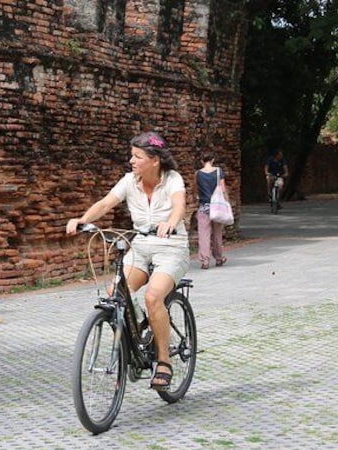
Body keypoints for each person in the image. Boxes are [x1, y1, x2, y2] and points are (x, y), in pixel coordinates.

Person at [65, 131, 190, 391]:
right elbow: (105, 203)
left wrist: (170, 223)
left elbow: (179, 206)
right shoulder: (129, 181)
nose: (131, 161)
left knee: (153, 296)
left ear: (154, 160)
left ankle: (164, 362)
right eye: (131, 155)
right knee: (115, 292)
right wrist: (82, 220)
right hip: (141, 245)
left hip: (171, 247)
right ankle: (138, 333)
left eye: (137, 156)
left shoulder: (172, 179)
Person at [195, 151, 227, 269]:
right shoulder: (218, 171)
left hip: (204, 207)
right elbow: (223, 189)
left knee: (203, 234)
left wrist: (197, 199)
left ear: (201, 161)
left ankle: (205, 261)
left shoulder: (198, 174)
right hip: (217, 207)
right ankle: (219, 258)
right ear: (213, 160)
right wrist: (226, 202)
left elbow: (195, 190)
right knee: (217, 233)